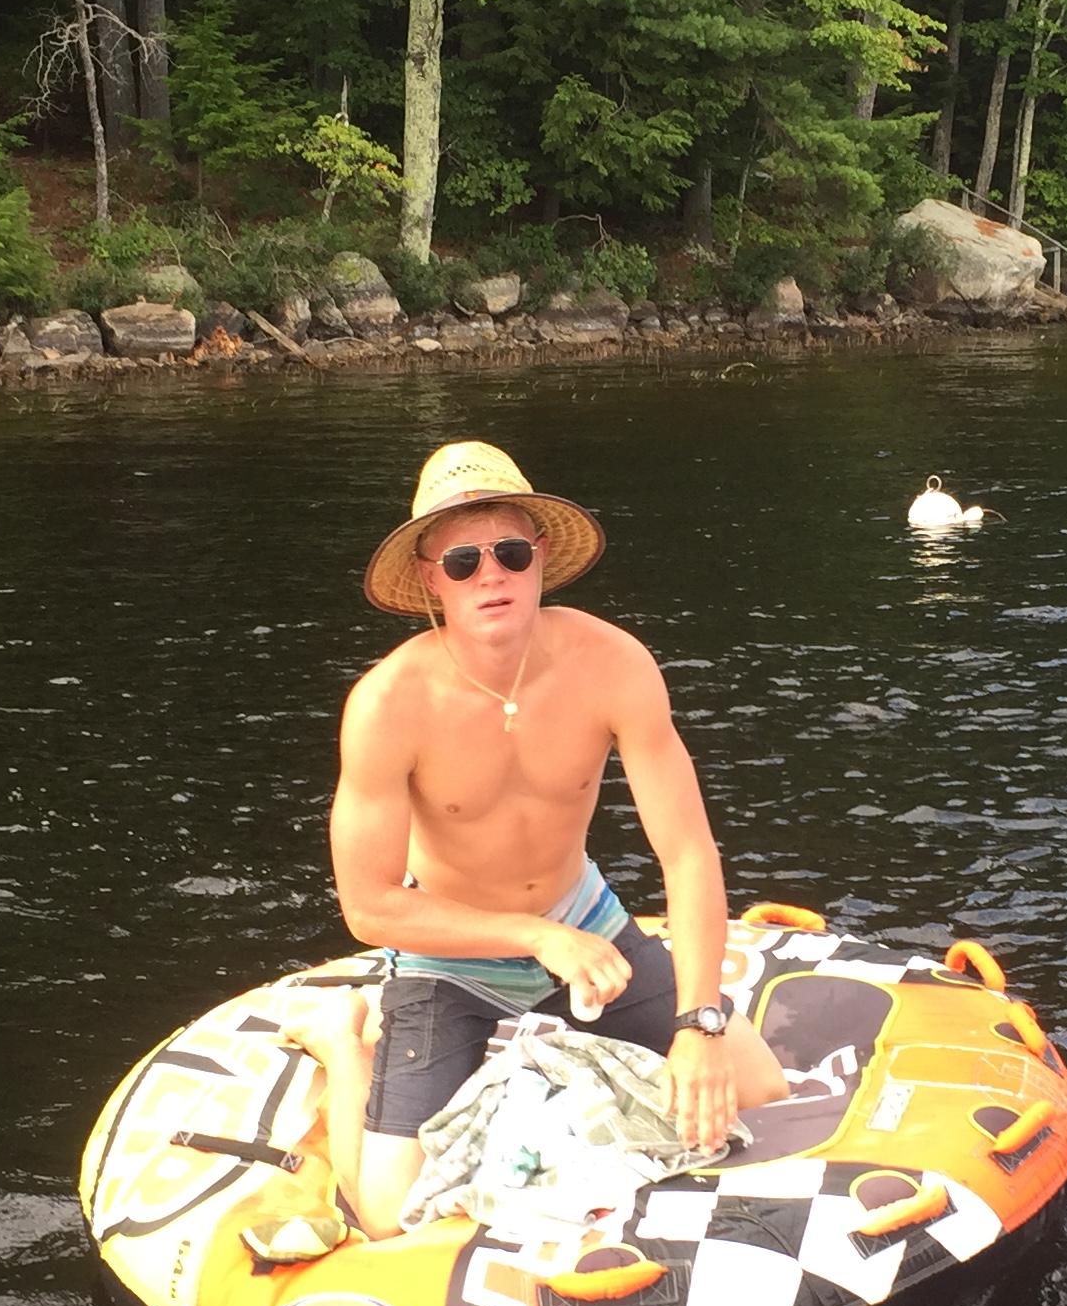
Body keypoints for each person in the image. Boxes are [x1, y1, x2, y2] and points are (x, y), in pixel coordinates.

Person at [296, 440, 788, 1238]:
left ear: (541, 557)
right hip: (450, 949)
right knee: (387, 1212)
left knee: (756, 1085)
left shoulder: (612, 662)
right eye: (462, 562)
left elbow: (688, 853)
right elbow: (369, 907)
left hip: (581, 915)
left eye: (510, 553)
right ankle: (343, 1043)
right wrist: (535, 937)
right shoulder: (389, 704)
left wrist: (700, 1025)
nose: (489, 575)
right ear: (430, 578)